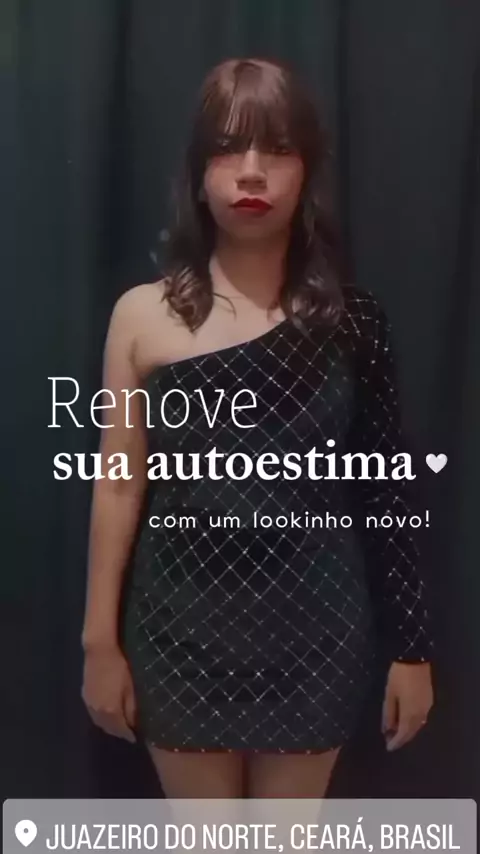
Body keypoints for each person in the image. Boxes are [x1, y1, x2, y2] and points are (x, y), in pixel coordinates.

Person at [81, 57, 434, 799]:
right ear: (196, 171)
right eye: (227, 148)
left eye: (276, 149)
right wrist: (98, 642)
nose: (251, 172)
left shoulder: (354, 323)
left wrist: (413, 648)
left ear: (307, 171)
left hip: (317, 633)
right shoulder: (142, 317)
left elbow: (388, 492)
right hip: (177, 632)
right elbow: (117, 485)